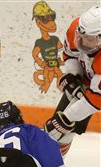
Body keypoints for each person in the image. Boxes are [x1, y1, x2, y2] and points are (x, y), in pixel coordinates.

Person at [45, 5, 101, 155]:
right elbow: (71, 55)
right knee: (61, 131)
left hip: (97, 93)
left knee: (63, 124)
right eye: (80, 36)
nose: (82, 42)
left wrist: (66, 117)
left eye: (89, 39)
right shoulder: (75, 29)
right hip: (93, 84)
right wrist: (73, 76)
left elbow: (97, 100)